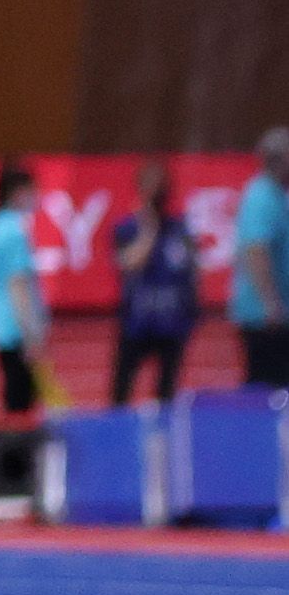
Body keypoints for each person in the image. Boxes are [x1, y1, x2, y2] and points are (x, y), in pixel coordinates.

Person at [112, 156, 197, 408]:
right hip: (137, 323)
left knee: (166, 394)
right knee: (121, 393)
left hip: (172, 324)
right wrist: (149, 228)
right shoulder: (126, 229)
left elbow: (191, 271)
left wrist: (192, 313)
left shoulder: (179, 229)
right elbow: (130, 262)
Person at [0, 159, 48, 422]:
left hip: (0, 327)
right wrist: (32, 334)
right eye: (33, 190)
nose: (37, 198)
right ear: (19, 192)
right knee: (21, 411)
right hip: (17, 330)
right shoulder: (15, 232)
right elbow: (18, 285)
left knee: (11, 403)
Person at [236, 131, 289, 392]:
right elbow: (256, 250)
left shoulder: (278, 194)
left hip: (275, 311)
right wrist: (270, 303)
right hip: (265, 317)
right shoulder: (262, 197)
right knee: (267, 388)